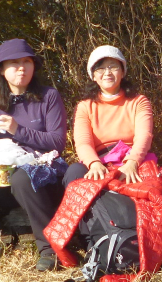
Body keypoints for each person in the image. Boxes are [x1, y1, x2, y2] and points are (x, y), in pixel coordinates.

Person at [0, 39, 67, 271]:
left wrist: (17, 130)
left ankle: (49, 248)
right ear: (1, 69)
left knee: (23, 177)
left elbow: (57, 143)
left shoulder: (48, 97)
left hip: (45, 170)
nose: (21, 68)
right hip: (6, 171)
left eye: (26, 62)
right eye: (14, 63)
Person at [63, 46, 154, 187]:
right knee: (74, 172)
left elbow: (144, 135)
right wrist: (94, 163)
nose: (107, 72)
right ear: (93, 75)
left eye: (113, 67)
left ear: (123, 72)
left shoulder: (139, 101)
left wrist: (132, 163)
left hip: (132, 160)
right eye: (100, 68)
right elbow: (83, 142)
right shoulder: (85, 106)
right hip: (99, 160)